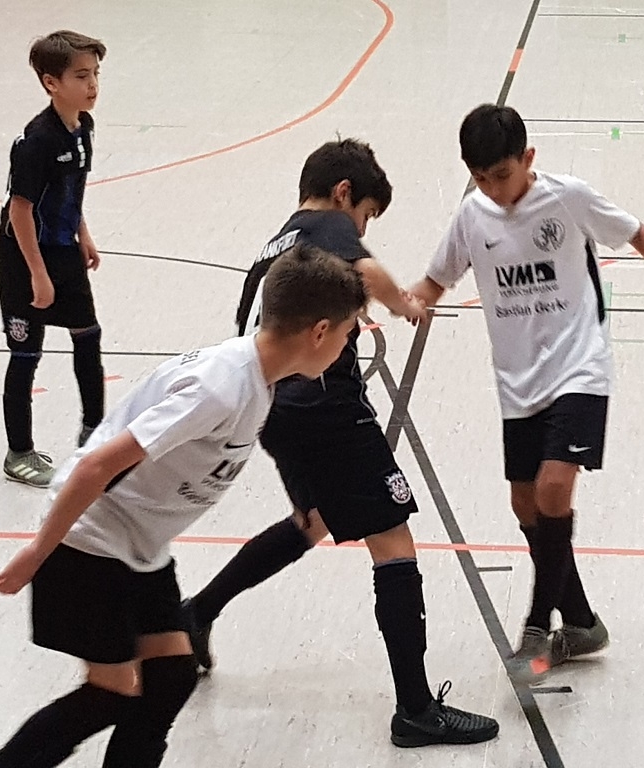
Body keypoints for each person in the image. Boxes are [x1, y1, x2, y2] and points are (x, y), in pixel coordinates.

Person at [0, 243, 366, 767]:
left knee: (171, 677)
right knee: (110, 691)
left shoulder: (258, 379)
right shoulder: (221, 387)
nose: (346, 346)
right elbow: (97, 466)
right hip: (90, 540)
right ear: (319, 331)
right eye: (347, 333)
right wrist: (39, 550)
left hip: (139, 545)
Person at [182, 138, 499, 748]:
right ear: (344, 193)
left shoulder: (276, 242)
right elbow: (366, 272)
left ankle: (197, 612)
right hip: (325, 408)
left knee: (315, 520)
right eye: (366, 215)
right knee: (392, 537)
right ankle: (415, 709)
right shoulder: (328, 225)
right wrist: (406, 304)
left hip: (273, 409)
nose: (363, 229)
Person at [409, 103, 644, 684]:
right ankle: (580, 623)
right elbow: (434, 281)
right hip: (517, 381)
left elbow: (637, 232)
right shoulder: (472, 216)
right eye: (480, 178)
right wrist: (404, 302)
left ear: (528, 158)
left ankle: (537, 624)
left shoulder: (566, 197)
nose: (493, 189)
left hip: (580, 366)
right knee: (525, 504)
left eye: (502, 175)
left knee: (554, 486)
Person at [0, 30, 108, 488]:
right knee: (26, 353)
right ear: (51, 83)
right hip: (25, 257)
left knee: (88, 336)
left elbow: (70, 191)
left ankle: (95, 434)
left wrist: (82, 233)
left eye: (95, 74)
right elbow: (20, 210)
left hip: (63, 249)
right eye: (81, 76)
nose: (92, 84)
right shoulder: (37, 141)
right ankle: (19, 452)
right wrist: (38, 275)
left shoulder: (84, 126)